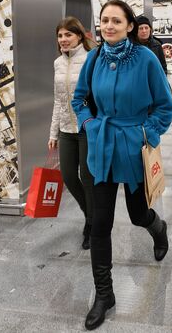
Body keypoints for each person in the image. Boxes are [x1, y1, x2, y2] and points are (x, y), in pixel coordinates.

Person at [72, 0, 172, 331]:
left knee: (137, 214)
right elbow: (79, 98)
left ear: (130, 26)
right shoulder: (94, 58)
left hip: (133, 148)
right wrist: (88, 123)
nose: (109, 26)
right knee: (100, 222)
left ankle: (158, 229)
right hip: (101, 147)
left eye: (117, 20)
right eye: (105, 20)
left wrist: (147, 132)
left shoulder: (145, 59)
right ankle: (104, 294)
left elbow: (165, 106)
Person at [48, 16, 96, 250]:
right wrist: (53, 133)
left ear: (79, 36)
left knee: (88, 179)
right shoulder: (58, 63)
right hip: (66, 129)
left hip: (87, 128)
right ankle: (91, 216)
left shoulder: (90, 59)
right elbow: (58, 100)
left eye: (68, 35)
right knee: (68, 176)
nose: (64, 39)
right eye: (60, 35)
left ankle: (91, 225)